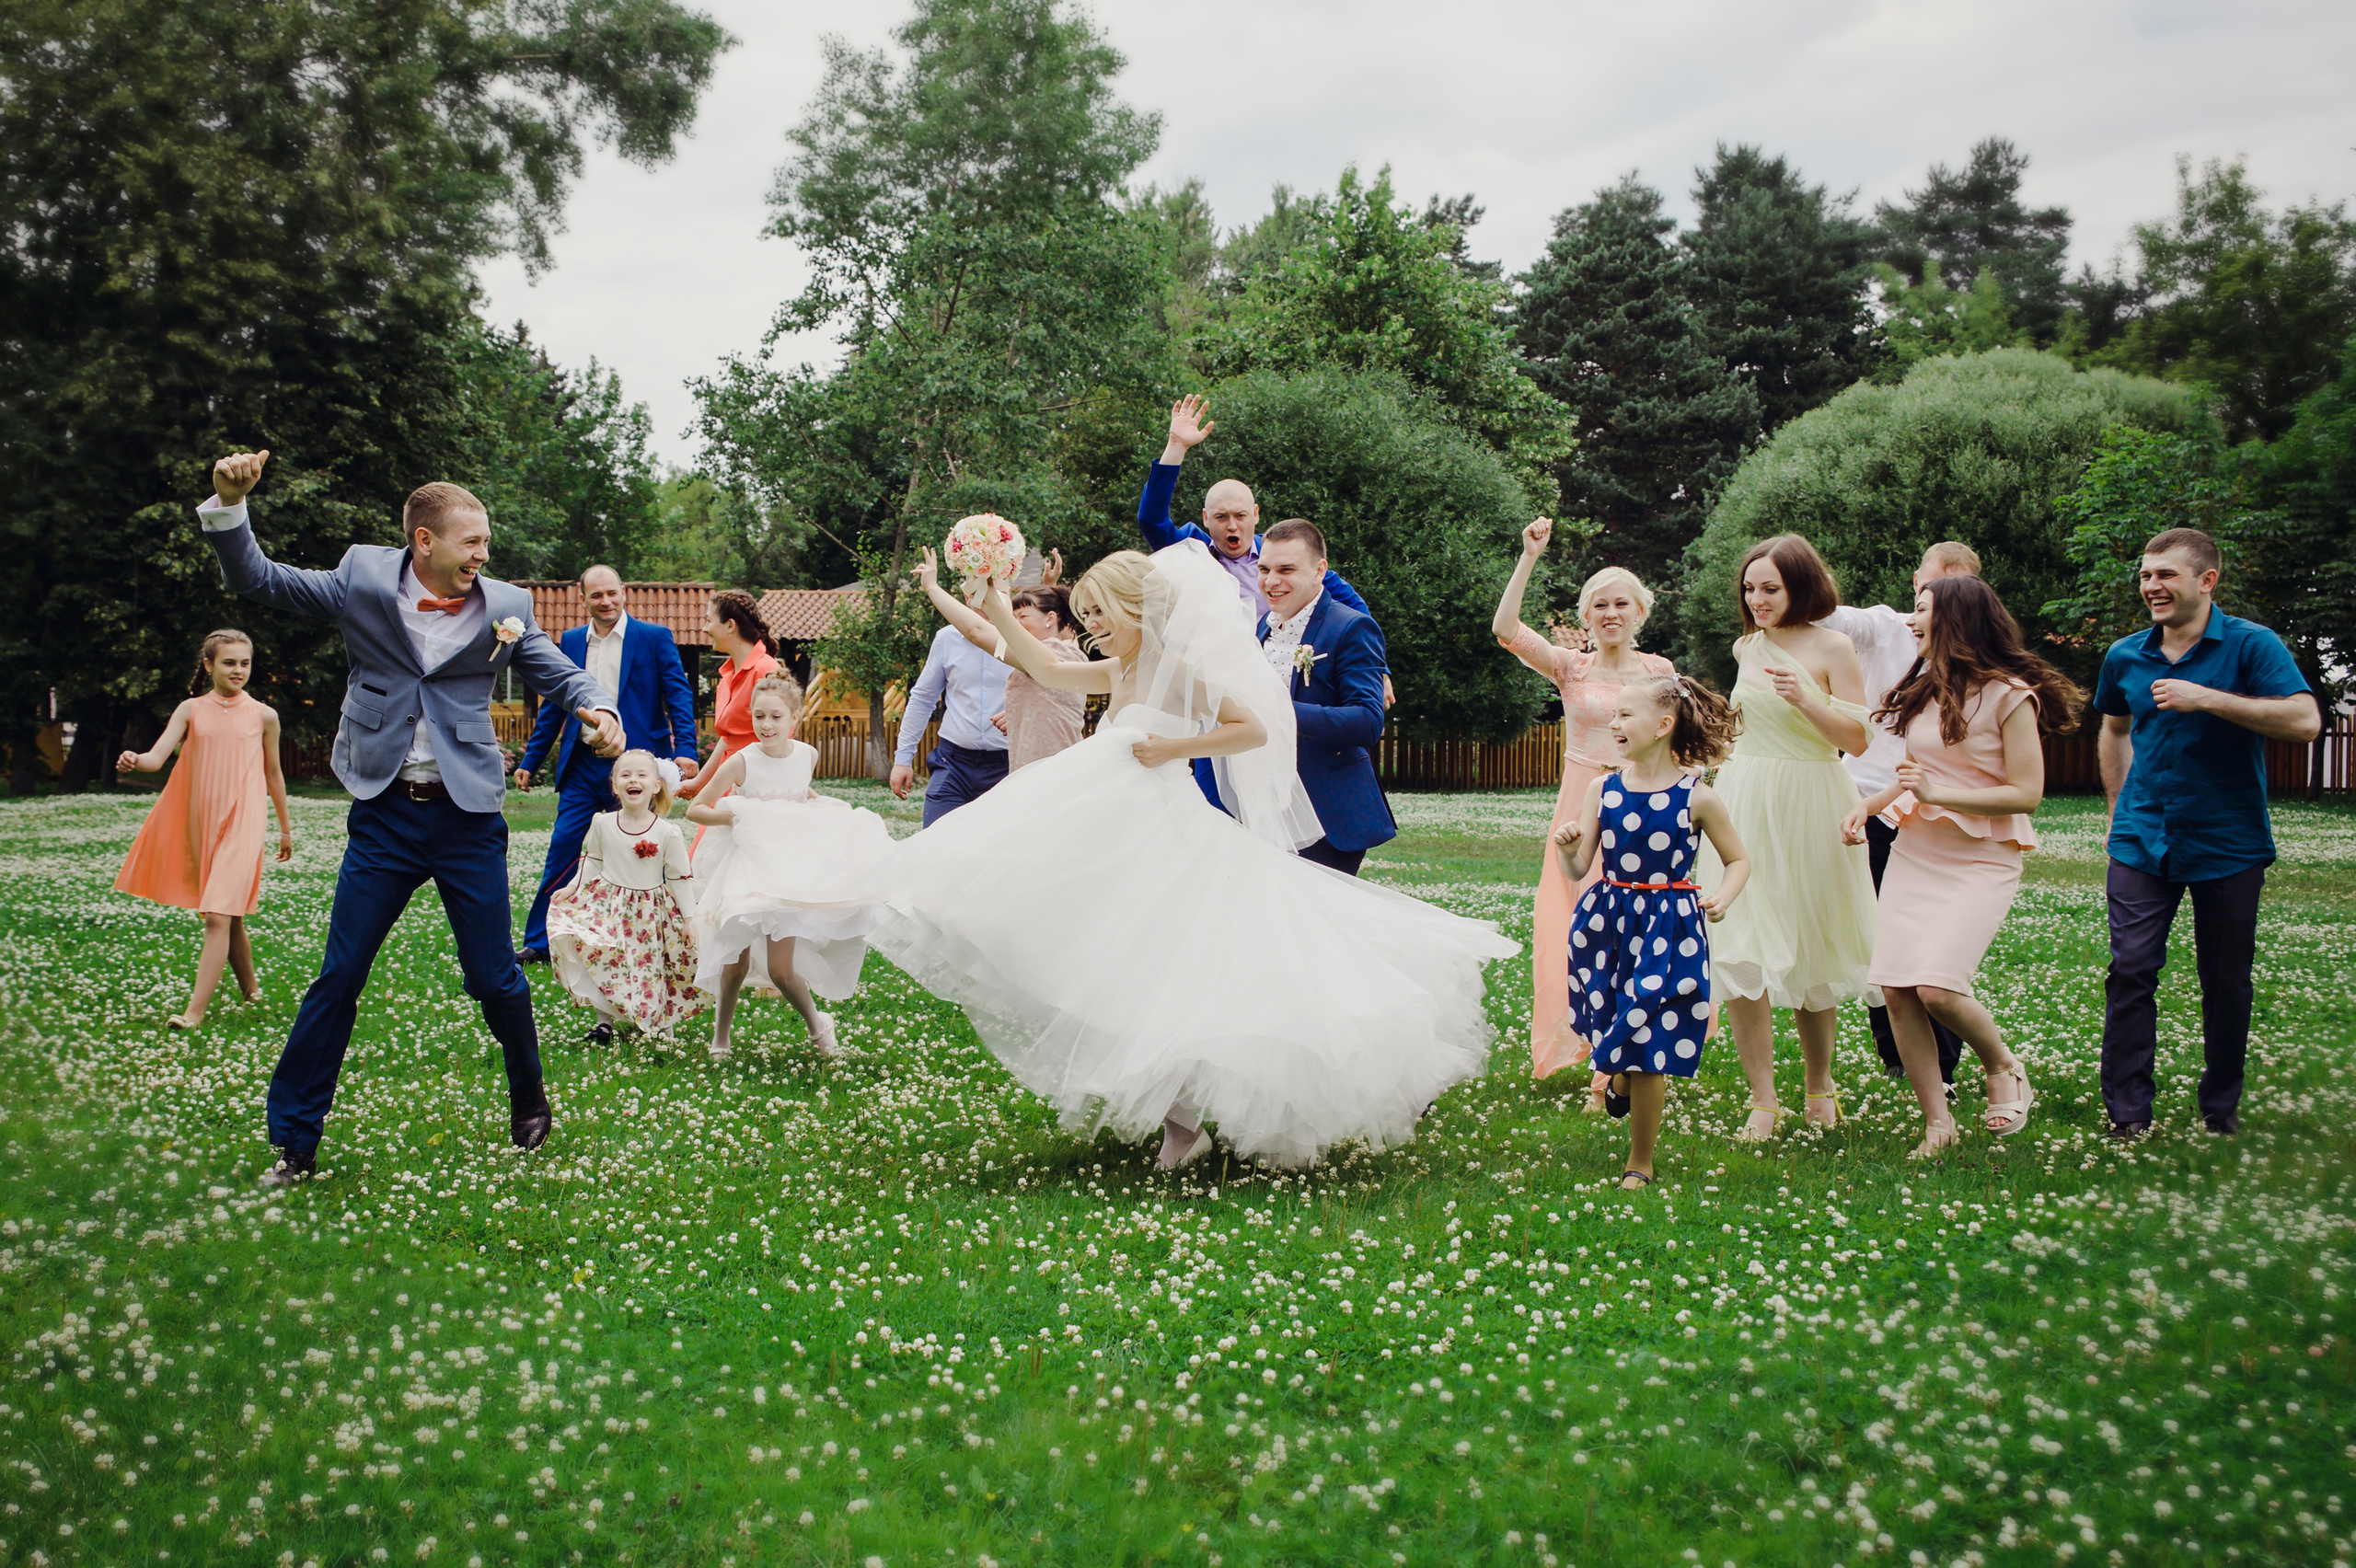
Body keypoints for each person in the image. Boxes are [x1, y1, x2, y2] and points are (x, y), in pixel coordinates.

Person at [869, 541, 1518, 1170]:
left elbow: (1254, 728)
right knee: (1116, 971)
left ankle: (1190, 1124)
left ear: (1137, 609)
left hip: (1168, 835)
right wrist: (1000, 601)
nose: (1092, 626)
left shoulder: (1178, 672)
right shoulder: (1119, 670)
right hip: (1117, 835)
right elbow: (1042, 667)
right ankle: (1181, 1127)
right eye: (1087, 614)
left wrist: (1174, 749)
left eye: (1101, 613)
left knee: (1180, 973)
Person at [196, 450, 624, 1187]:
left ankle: (529, 1095)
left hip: (466, 818)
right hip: (385, 813)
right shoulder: (361, 579)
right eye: (472, 542)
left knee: (494, 979)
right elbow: (259, 580)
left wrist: (599, 706)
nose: (484, 555)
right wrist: (233, 507)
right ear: (424, 542)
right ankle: (296, 1144)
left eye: (487, 543)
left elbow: (557, 669)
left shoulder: (503, 605)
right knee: (339, 975)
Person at [2092, 527, 2320, 1140]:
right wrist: (2117, 806)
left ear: (2207, 580)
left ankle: (2220, 1107)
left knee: (2224, 979)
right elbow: (2114, 729)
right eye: (2145, 575)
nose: (2151, 586)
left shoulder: (2251, 646)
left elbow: (2304, 720)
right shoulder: (2126, 656)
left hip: (2227, 839)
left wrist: (2208, 699)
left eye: (2165, 574)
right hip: (2141, 837)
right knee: (2132, 967)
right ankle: (2128, 1114)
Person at [1842, 576, 2081, 1156]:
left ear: (1955, 621)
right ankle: (1937, 1123)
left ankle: (2004, 1067)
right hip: (1918, 848)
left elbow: (2026, 793)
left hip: (1982, 855)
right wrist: (1868, 806)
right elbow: (1915, 779)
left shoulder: (2010, 695)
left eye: (1920, 611)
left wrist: (1941, 795)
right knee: (1896, 988)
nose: (1910, 623)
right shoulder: (1924, 690)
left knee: (1939, 989)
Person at [1694, 535, 1878, 1142]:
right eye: (1750, 588)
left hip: (1812, 800)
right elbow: (1744, 728)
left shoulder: (1834, 645)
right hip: (1746, 797)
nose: (1757, 598)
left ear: (1800, 584)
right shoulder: (1748, 647)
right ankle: (1763, 1098)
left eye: (1769, 587)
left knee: (1809, 944)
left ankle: (1820, 1085)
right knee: (1741, 945)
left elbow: (1855, 741)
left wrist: (1809, 699)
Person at [1491, 518, 1677, 1091]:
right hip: (1582, 803)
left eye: (1622, 603)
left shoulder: (1660, 673)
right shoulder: (1571, 667)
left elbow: (1677, 740)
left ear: (1640, 613)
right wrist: (1528, 557)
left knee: (1635, 927)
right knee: (1585, 928)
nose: (1611, 613)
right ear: (1587, 616)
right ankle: (1596, 1048)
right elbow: (1506, 628)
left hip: (1641, 802)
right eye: (1600, 604)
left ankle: (1615, 1067)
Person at [1138, 395, 1394, 807]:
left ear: (1256, 514)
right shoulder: (1193, 553)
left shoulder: (1285, 559)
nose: (1232, 526)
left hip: (1283, 691)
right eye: (1221, 518)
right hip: (1219, 703)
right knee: (1217, 805)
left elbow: (1355, 613)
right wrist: (1176, 447)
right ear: (1206, 519)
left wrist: (1376, 670)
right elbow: (1151, 520)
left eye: (1240, 515)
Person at [1549, 675, 1750, 1190]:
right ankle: (1617, 1075)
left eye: (1624, 715)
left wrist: (1723, 897)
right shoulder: (1604, 788)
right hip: (1609, 924)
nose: (1614, 724)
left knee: (1649, 1044)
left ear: (1663, 726)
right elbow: (1579, 869)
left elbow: (1738, 860)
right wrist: (1568, 849)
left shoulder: (1697, 796)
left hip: (1671, 926)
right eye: (1613, 715)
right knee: (1619, 1029)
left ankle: (1640, 1161)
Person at [1819, 541, 1982, 1096]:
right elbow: (1824, 613)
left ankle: (1944, 1068)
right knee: (1878, 938)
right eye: (1927, 593)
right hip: (1866, 798)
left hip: (1935, 810)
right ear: (1915, 583)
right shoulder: (1884, 627)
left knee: (1927, 943)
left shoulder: (1978, 661)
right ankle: (1898, 1056)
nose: (1928, 610)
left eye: (1950, 598)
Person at [689, 672, 895, 1061]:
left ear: (794, 719)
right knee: (735, 961)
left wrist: (814, 808)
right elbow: (695, 808)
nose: (766, 725)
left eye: (775, 717)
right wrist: (737, 817)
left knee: (780, 969)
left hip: (786, 871)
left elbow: (798, 792)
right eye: (758, 716)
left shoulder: (807, 755)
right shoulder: (741, 762)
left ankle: (819, 1025)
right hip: (747, 869)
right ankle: (721, 1037)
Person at [514, 566, 699, 963]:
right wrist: (532, 759)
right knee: (563, 848)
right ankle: (542, 942)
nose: (606, 601)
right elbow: (554, 704)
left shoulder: (653, 638)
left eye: (612, 593)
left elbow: (679, 696)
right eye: (597, 595)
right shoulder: (570, 641)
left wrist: (686, 750)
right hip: (582, 765)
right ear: (583, 599)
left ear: (623, 593)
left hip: (635, 768)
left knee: (635, 853)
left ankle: (634, 939)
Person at [113, 628, 295, 1029]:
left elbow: (274, 774)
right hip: (201, 821)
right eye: (229, 662)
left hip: (243, 821)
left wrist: (284, 829)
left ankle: (193, 1014)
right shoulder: (190, 709)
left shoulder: (265, 715)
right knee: (230, 916)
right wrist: (134, 758)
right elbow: (156, 758)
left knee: (216, 916)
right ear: (209, 665)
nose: (238, 670)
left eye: (245, 663)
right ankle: (252, 992)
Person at [1255, 518, 1395, 876]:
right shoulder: (1261, 628)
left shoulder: (1350, 627)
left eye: (1286, 569)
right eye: (1265, 569)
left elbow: (1367, 721)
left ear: (1320, 571)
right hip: (1266, 809)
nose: (1272, 581)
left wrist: (1281, 711)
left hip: (1328, 814)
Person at [546, 750, 700, 1044]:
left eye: (642, 775)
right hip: (608, 904)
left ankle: (661, 1024)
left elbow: (680, 878)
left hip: (649, 913)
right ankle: (604, 1022)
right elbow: (593, 860)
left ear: (656, 785)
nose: (633, 780)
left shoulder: (667, 833)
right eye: (625, 775)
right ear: (615, 785)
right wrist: (573, 887)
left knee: (650, 968)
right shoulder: (602, 823)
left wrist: (689, 919)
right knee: (604, 958)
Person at [915, 548, 1088, 770]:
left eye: (1022, 617)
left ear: (1050, 618)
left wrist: (932, 587)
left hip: (1047, 773)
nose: (1014, 625)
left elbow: (976, 630)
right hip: (1039, 768)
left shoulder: (1048, 653)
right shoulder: (1070, 650)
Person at [890, 614, 1012, 826]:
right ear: (967, 595)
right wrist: (903, 758)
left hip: (1008, 766)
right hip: (953, 764)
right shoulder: (947, 638)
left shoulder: (1023, 637)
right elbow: (922, 699)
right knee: (935, 842)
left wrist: (1020, 712)